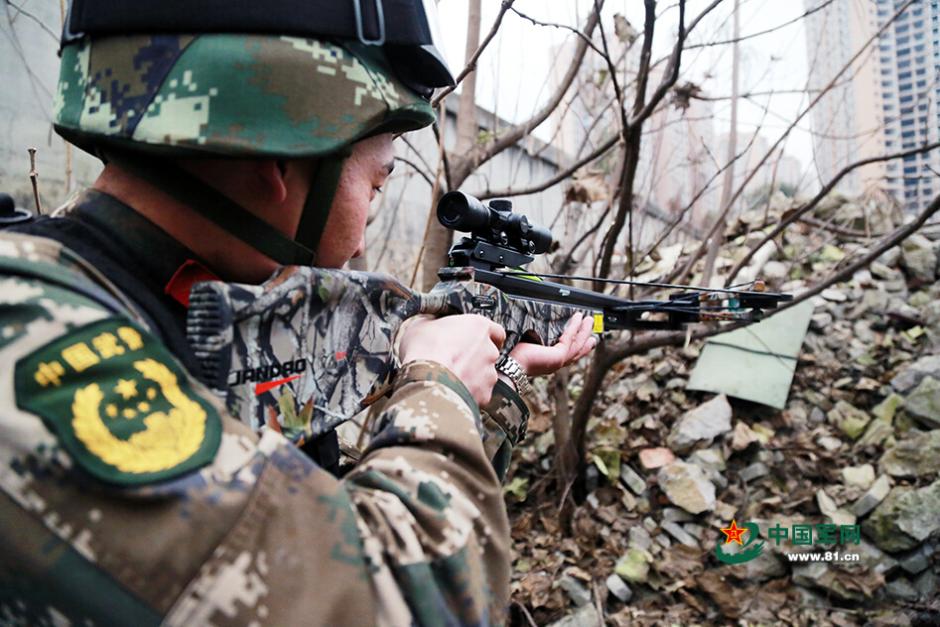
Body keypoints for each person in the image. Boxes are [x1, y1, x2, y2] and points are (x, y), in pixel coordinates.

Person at [0, 2, 596, 625]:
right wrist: (438, 383)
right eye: (376, 184)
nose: (364, 230)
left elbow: (309, 517)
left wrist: (496, 384)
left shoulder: (146, 302)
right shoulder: (30, 346)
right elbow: (388, 605)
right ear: (278, 158)